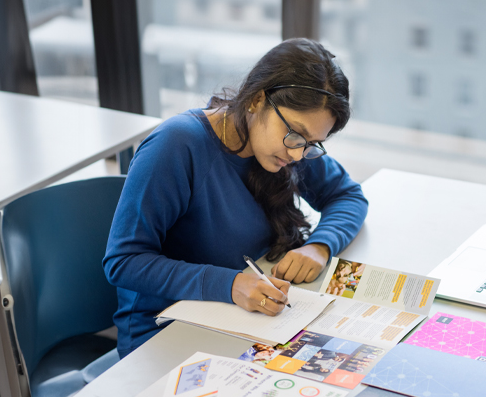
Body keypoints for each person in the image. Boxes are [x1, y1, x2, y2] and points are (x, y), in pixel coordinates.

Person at [103, 38, 368, 357]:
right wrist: (230, 285)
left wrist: (320, 246)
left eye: (312, 143)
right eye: (296, 135)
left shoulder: (284, 146)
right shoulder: (177, 145)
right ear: (257, 100)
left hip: (251, 319)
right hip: (166, 334)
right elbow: (124, 262)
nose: (299, 154)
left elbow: (347, 195)